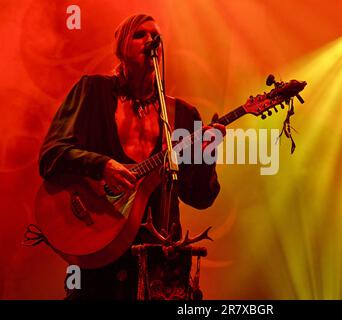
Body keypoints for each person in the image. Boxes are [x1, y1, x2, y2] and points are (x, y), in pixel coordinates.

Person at [38, 14, 225, 300]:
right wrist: (102, 166)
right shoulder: (92, 92)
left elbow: (199, 197)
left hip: (160, 264)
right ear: (120, 48)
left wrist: (208, 153)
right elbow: (51, 155)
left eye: (156, 37)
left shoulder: (183, 116)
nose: (151, 40)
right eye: (140, 34)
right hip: (98, 252)